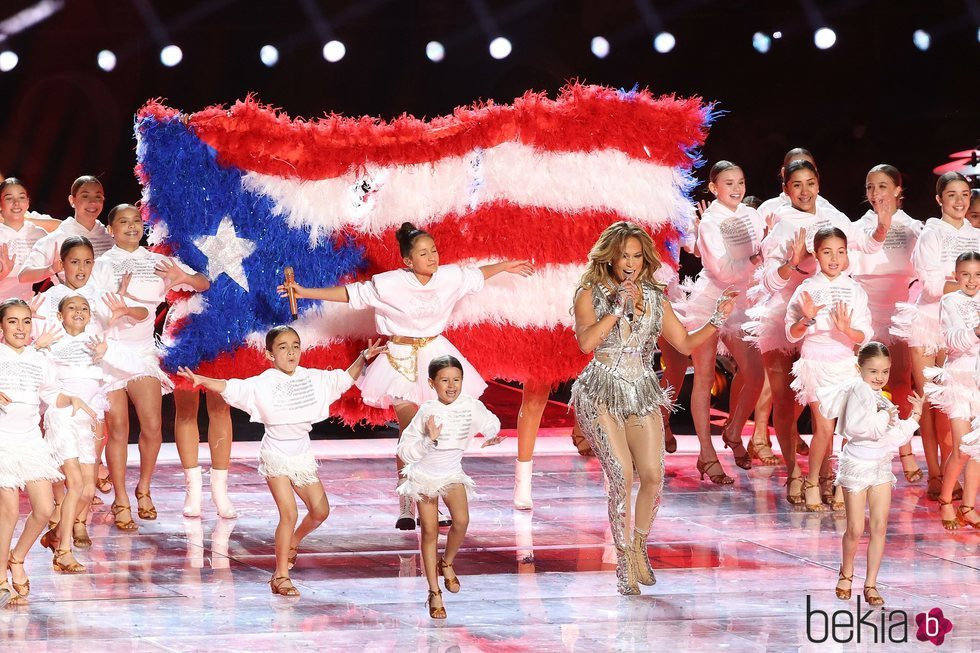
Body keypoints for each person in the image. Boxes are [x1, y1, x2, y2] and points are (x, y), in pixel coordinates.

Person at [279, 222, 532, 527]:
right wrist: (304, 291)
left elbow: (477, 274)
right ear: (408, 261)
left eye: (434, 251)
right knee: (411, 430)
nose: (432, 257)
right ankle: (406, 501)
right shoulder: (390, 283)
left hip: (435, 357)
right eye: (424, 253)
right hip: (398, 361)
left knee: (434, 428)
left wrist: (506, 266)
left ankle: (430, 499)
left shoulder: (449, 277)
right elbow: (351, 294)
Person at [570, 221, 735, 595]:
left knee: (653, 475)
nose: (630, 262)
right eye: (623, 255)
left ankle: (640, 545)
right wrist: (615, 308)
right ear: (610, 258)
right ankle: (623, 557)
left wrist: (719, 316)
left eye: (636, 255)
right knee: (622, 474)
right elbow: (585, 344)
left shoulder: (655, 297)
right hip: (602, 392)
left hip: (641, 390)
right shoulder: (589, 292)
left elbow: (685, 342)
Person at [178, 327, 385, 597]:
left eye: (295, 346)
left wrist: (363, 357)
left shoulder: (311, 378)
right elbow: (232, 387)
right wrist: (203, 380)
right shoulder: (264, 382)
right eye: (283, 347)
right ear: (269, 354)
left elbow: (343, 379)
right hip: (275, 454)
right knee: (289, 513)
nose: (291, 352)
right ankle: (280, 576)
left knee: (320, 511)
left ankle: (293, 542)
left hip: (302, 455)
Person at [745, 160, 886, 505]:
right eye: (797, 185)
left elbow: (863, 245)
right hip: (788, 311)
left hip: (831, 330)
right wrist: (793, 263)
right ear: (786, 188)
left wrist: (884, 222)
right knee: (785, 400)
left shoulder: (833, 218)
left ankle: (823, 475)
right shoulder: (781, 226)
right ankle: (796, 471)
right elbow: (767, 279)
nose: (805, 191)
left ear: (819, 183)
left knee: (829, 417)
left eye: (810, 183)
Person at [92, 204, 210, 529]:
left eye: (136, 221)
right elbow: (89, 307)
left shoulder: (156, 261)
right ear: (111, 228)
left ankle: (144, 487)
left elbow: (203, 283)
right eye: (123, 222)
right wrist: (117, 301)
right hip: (110, 353)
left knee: (153, 426)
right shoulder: (102, 265)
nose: (131, 227)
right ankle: (120, 499)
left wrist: (183, 276)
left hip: (143, 353)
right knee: (117, 429)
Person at [891, 172, 980, 501]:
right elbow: (930, 287)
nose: (960, 201)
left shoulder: (976, 235)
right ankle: (936, 473)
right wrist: (969, 286)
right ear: (939, 199)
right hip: (930, 322)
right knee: (930, 401)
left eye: (965, 194)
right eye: (952, 194)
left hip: (963, 323)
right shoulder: (931, 233)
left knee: (954, 405)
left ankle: (954, 469)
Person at [0, 299, 94, 606]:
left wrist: (72, 399)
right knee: (9, 509)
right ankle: (1, 576)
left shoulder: (38, 358)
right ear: (2, 326)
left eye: (26, 321)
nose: (21, 328)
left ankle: (17, 558)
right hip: (2, 441)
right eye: (13, 321)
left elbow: (51, 393)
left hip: (29, 441)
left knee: (42, 509)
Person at [676, 161, 765, 483]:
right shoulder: (710, 222)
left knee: (755, 373)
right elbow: (724, 270)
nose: (737, 188)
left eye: (740, 181)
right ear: (714, 188)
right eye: (729, 183)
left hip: (742, 302)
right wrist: (754, 261)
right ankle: (706, 453)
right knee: (703, 377)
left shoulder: (752, 215)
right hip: (712, 300)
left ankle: (733, 429)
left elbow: (763, 254)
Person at [396, 355, 503, 618]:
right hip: (424, 476)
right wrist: (427, 441)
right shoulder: (426, 412)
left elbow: (490, 422)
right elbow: (404, 450)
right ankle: (434, 592)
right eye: (445, 380)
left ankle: (447, 563)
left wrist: (492, 435)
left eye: (456, 379)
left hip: (452, 472)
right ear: (432, 383)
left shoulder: (469, 406)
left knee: (462, 521)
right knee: (430, 531)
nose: (451, 385)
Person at [818, 342, 923, 608]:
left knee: (879, 527)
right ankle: (846, 573)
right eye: (873, 370)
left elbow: (892, 436)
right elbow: (859, 428)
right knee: (855, 528)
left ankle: (871, 583)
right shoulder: (858, 390)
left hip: (880, 466)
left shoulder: (879, 397)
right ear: (859, 368)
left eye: (885, 371)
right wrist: (885, 416)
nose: (879, 377)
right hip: (856, 465)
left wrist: (916, 416)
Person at [37, 294, 138, 567]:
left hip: (87, 421)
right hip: (62, 417)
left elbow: (135, 366)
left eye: (84, 308)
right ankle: (64, 552)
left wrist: (109, 351)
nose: (78, 312)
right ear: (60, 316)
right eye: (71, 308)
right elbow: (36, 375)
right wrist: (39, 347)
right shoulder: (52, 343)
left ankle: (56, 535)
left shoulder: (97, 342)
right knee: (77, 484)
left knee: (86, 489)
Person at [785, 227, 873, 511]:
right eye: (827, 252)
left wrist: (848, 330)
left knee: (847, 428)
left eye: (840, 251)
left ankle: (838, 481)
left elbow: (866, 334)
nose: (834, 258)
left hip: (846, 363)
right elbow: (791, 333)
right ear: (816, 254)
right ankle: (811, 481)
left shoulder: (855, 289)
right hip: (816, 362)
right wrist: (807, 320)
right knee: (823, 428)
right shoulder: (807, 288)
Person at [849, 165, 923, 484]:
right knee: (863, 390)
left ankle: (905, 452)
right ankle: (859, 458)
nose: (876, 193)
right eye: (870, 187)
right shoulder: (858, 228)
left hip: (899, 313)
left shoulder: (913, 228)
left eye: (883, 186)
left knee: (902, 387)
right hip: (865, 315)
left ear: (897, 189)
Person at [924, 252, 980, 529]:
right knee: (962, 447)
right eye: (966, 274)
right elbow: (954, 340)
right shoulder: (950, 301)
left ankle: (968, 506)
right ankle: (946, 500)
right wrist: (977, 331)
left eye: (978, 274)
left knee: (978, 448)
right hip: (959, 379)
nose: (972, 280)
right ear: (956, 276)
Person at [18, 175, 114, 286]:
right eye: (85, 196)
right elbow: (24, 275)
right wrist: (51, 269)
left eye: (98, 197)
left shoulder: (109, 238)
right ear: (72, 200)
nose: (92, 202)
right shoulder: (59, 237)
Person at [0, 178, 48, 300]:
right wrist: (3, 273)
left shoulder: (39, 235)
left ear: (27, 202)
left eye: (21, 197)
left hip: (27, 305)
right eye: (9, 198)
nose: (16, 203)